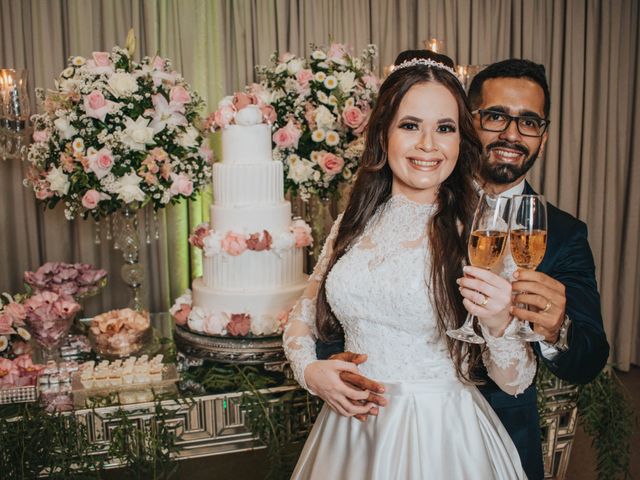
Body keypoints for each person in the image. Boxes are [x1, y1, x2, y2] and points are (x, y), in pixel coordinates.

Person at [319, 56, 610, 480]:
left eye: (529, 122)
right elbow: (346, 303)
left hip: (493, 440)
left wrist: (555, 327)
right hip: (371, 427)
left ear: (543, 138)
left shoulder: (563, 234)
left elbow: (590, 357)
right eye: (495, 116)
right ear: (467, 122)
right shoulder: (390, 205)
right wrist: (330, 371)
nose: (512, 133)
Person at [283, 52, 533, 479]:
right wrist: (310, 371)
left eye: (445, 128)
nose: (428, 146)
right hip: (351, 433)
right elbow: (302, 314)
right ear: (384, 133)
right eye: (410, 125)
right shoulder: (353, 222)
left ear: (460, 140)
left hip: (438, 436)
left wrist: (497, 324)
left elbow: (515, 380)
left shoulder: (481, 233)